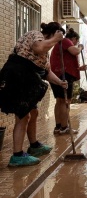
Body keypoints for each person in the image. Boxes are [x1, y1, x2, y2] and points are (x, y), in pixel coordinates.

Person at [0, 22, 68, 167]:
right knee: (23, 116)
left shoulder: (45, 53)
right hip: (17, 76)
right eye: (54, 39)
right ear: (50, 34)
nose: (53, 44)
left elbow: (47, 73)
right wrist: (55, 39)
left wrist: (60, 82)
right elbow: (38, 47)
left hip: (26, 78)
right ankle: (17, 156)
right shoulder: (36, 35)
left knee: (34, 112)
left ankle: (34, 146)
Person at [49, 28, 87, 135]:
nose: (76, 44)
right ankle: (65, 127)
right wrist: (80, 47)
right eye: (76, 41)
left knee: (60, 101)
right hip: (63, 76)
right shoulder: (66, 41)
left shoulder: (62, 44)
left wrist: (79, 68)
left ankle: (58, 127)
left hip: (56, 75)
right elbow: (75, 51)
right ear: (74, 39)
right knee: (66, 102)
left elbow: (66, 62)